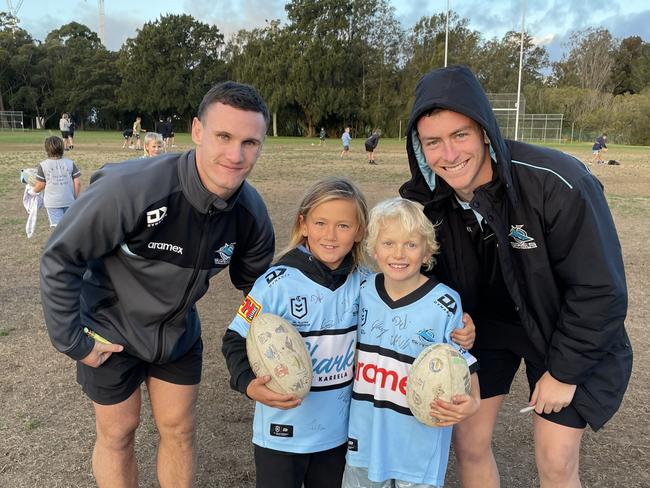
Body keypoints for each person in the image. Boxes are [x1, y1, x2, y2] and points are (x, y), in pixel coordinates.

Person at [399, 65, 632, 488]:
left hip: (558, 327)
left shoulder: (557, 183)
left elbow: (601, 291)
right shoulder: (426, 202)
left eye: (460, 136)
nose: (448, 155)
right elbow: (423, 278)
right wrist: (454, 320)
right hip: (486, 329)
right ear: (419, 147)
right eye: (433, 142)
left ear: (486, 131)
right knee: (467, 443)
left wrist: (564, 373)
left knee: (556, 460)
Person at [40, 81, 275, 488]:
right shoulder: (130, 189)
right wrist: (73, 340)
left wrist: (261, 345)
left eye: (250, 142)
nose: (236, 155)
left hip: (178, 334)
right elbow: (60, 256)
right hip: (111, 330)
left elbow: (256, 291)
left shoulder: (251, 214)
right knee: (118, 432)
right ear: (197, 131)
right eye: (224, 136)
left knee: (180, 430)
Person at [222, 177, 369, 488]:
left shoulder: (366, 284)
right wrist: (248, 384)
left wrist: (458, 325)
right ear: (303, 224)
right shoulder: (276, 283)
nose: (330, 235)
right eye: (320, 223)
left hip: (338, 433)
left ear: (359, 231)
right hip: (282, 436)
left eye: (343, 226)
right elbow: (235, 338)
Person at [344, 197, 480, 488]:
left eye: (411, 244)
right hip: (365, 432)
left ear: (427, 250)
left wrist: (474, 401)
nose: (399, 253)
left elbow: (461, 359)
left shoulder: (443, 302)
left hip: (418, 439)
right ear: (373, 248)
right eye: (388, 243)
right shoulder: (362, 289)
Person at [31, 135, 81, 227]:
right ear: (62, 148)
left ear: (47, 149)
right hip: (69, 201)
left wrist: (32, 191)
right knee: (69, 227)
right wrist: (75, 198)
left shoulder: (43, 165)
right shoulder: (70, 163)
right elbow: (77, 183)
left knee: (58, 229)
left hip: (52, 203)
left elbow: (41, 185)